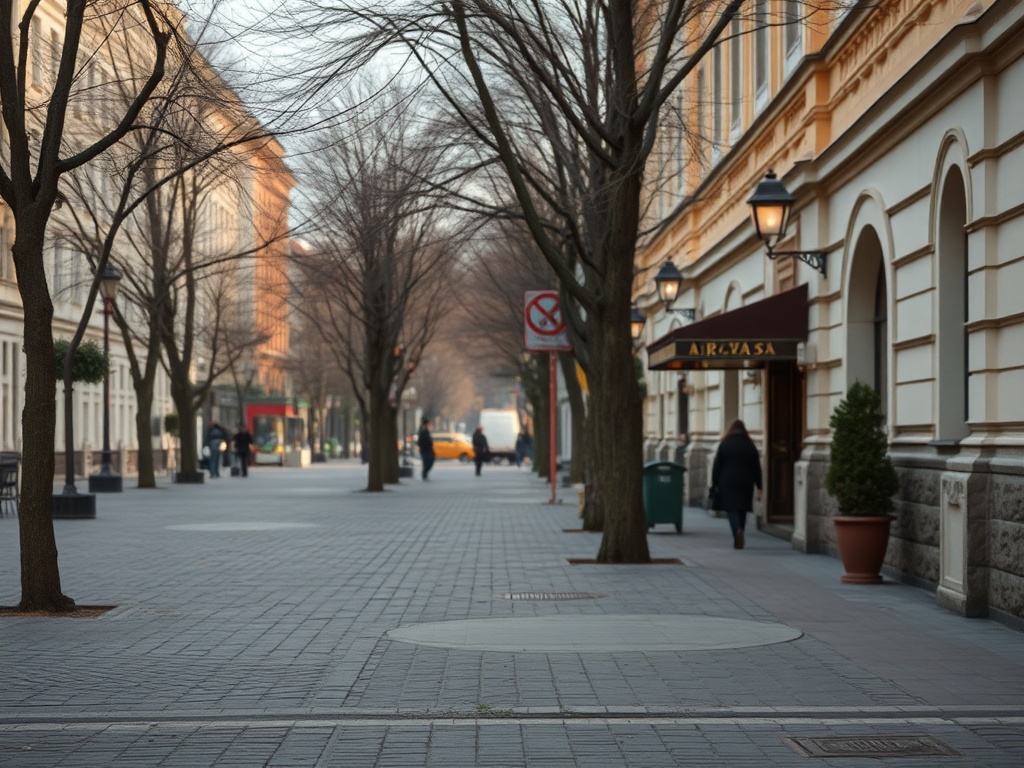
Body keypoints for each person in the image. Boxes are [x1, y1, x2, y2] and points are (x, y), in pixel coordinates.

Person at [710, 419, 763, 549]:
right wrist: (759, 484)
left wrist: (714, 482)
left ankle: (737, 532)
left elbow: (717, 466)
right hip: (746, 481)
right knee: (742, 509)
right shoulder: (750, 445)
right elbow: (757, 467)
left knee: (731, 509)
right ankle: (741, 530)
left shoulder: (725, 444)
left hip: (727, 481)